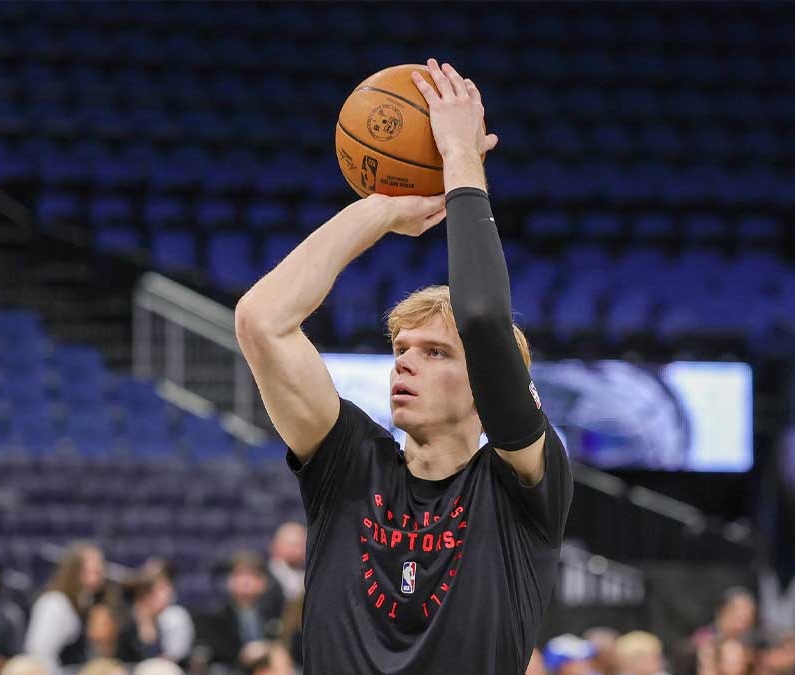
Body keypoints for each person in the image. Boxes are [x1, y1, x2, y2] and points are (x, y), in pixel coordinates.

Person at [234, 57, 573, 675]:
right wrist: (382, 210)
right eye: (400, 351)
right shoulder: (348, 465)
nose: (405, 365)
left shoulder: (522, 490)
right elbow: (262, 320)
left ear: (486, 388)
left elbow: (483, 321)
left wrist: (460, 161)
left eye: (435, 352)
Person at [25, 542, 112, 674]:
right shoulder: (54, 604)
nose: (101, 572)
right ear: (76, 570)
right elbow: (39, 654)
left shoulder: (88, 603)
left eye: (101, 566)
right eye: (95, 568)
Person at [196, 550, 277, 667]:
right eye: (239, 575)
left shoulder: (275, 613)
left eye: (253, 575)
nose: (246, 581)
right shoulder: (216, 616)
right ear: (230, 581)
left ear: (263, 583)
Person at [138, 558, 195, 663]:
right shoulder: (136, 613)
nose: (155, 594)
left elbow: (171, 658)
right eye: (150, 590)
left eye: (161, 589)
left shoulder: (175, 616)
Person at [117, 573, 175, 662]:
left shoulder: (158, 623)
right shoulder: (125, 622)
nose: (168, 594)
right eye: (161, 589)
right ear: (146, 595)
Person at [261, 522, 306, 620]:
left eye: (301, 545)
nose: (296, 550)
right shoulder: (263, 576)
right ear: (275, 546)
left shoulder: (308, 577)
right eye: (292, 545)